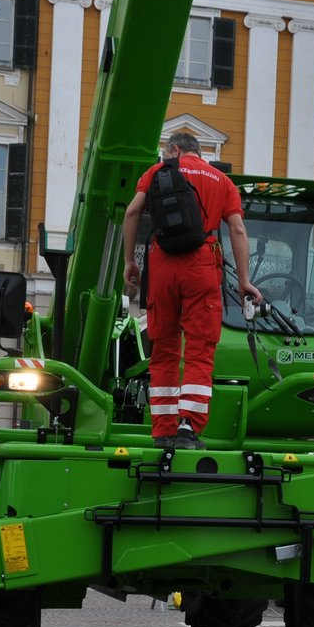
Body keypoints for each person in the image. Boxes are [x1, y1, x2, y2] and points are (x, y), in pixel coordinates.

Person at [121, 131, 262, 450]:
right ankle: (188, 427)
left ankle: (163, 431)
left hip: (162, 263)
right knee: (199, 347)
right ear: (200, 153)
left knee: (164, 347)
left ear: (174, 149)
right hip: (202, 261)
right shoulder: (222, 181)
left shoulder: (158, 172)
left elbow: (132, 213)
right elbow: (237, 229)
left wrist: (130, 261)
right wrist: (243, 281)